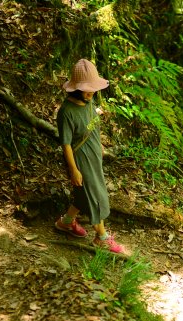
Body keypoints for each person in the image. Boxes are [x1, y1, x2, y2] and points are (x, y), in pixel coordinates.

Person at [54, 58, 125, 254]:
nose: (92, 92)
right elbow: (66, 144)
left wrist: (100, 145)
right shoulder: (66, 112)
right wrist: (74, 170)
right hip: (80, 159)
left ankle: (65, 222)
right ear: (76, 88)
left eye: (93, 88)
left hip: (94, 156)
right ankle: (101, 237)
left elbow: (91, 125)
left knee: (82, 193)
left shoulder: (89, 101)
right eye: (87, 88)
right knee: (95, 195)